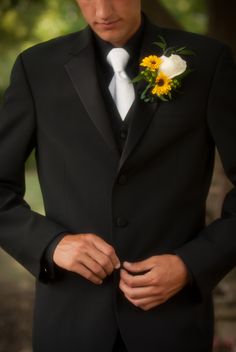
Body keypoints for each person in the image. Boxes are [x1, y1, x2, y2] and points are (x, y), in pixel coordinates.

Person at [0, 0, 236, 351]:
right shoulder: (36, 68)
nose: (102, 11)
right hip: (70, 325)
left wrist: (191, 265)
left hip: (173, 326)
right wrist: (51, 245)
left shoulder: (209, 62)